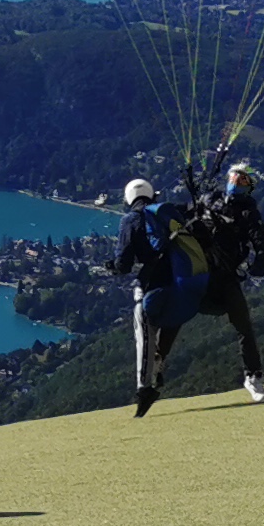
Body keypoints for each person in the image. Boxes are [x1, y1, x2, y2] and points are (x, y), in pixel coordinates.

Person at [114, 177, 210, 418]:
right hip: (181, 284)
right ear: (152, 196)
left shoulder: (130, 220)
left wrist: (112, 266)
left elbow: (123, 264)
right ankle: (158, 364)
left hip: (152, 286)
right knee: (168, 321)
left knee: (144, 333)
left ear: (128, 199)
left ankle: (143, 387)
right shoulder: (168, 213)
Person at [197, 162, 264, 402]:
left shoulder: (248, 213)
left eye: (242, 180)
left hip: (224, 276)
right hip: (199, 268)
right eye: (233, 177)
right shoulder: (209, 200)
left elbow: (263, 246)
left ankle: (253, 376)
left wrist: (256, 269)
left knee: (244, 326)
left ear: (249, 187)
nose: (235, 182)